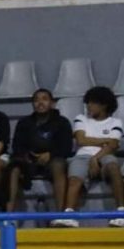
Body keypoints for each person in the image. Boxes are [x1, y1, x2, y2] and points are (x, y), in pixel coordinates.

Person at [52, 86, 124, 228]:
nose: (88, 106)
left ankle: (121, 212)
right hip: (83, 155)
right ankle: (69, 215)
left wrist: (95, 158)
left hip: (105, 155)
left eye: (92, 103)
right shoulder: (81, 119)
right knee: (74, 179)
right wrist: (104, 140)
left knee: (114, 168)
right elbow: (81, 141)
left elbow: (113, 145)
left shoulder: (116, 122)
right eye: (87, 102)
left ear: (104, 104)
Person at [3, 89, 71, 213]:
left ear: (52, 103)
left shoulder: (62, 122)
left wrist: (50, 154)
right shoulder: (24, 123)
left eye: (44, 99)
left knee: (58, 165)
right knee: (13, 169)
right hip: (28, 161)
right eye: (36, 100)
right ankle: (8, 217)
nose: (40, 102)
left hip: (52, 160)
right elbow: (17, 146)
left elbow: (66, 147)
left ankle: (61, 214)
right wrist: (28, 155)